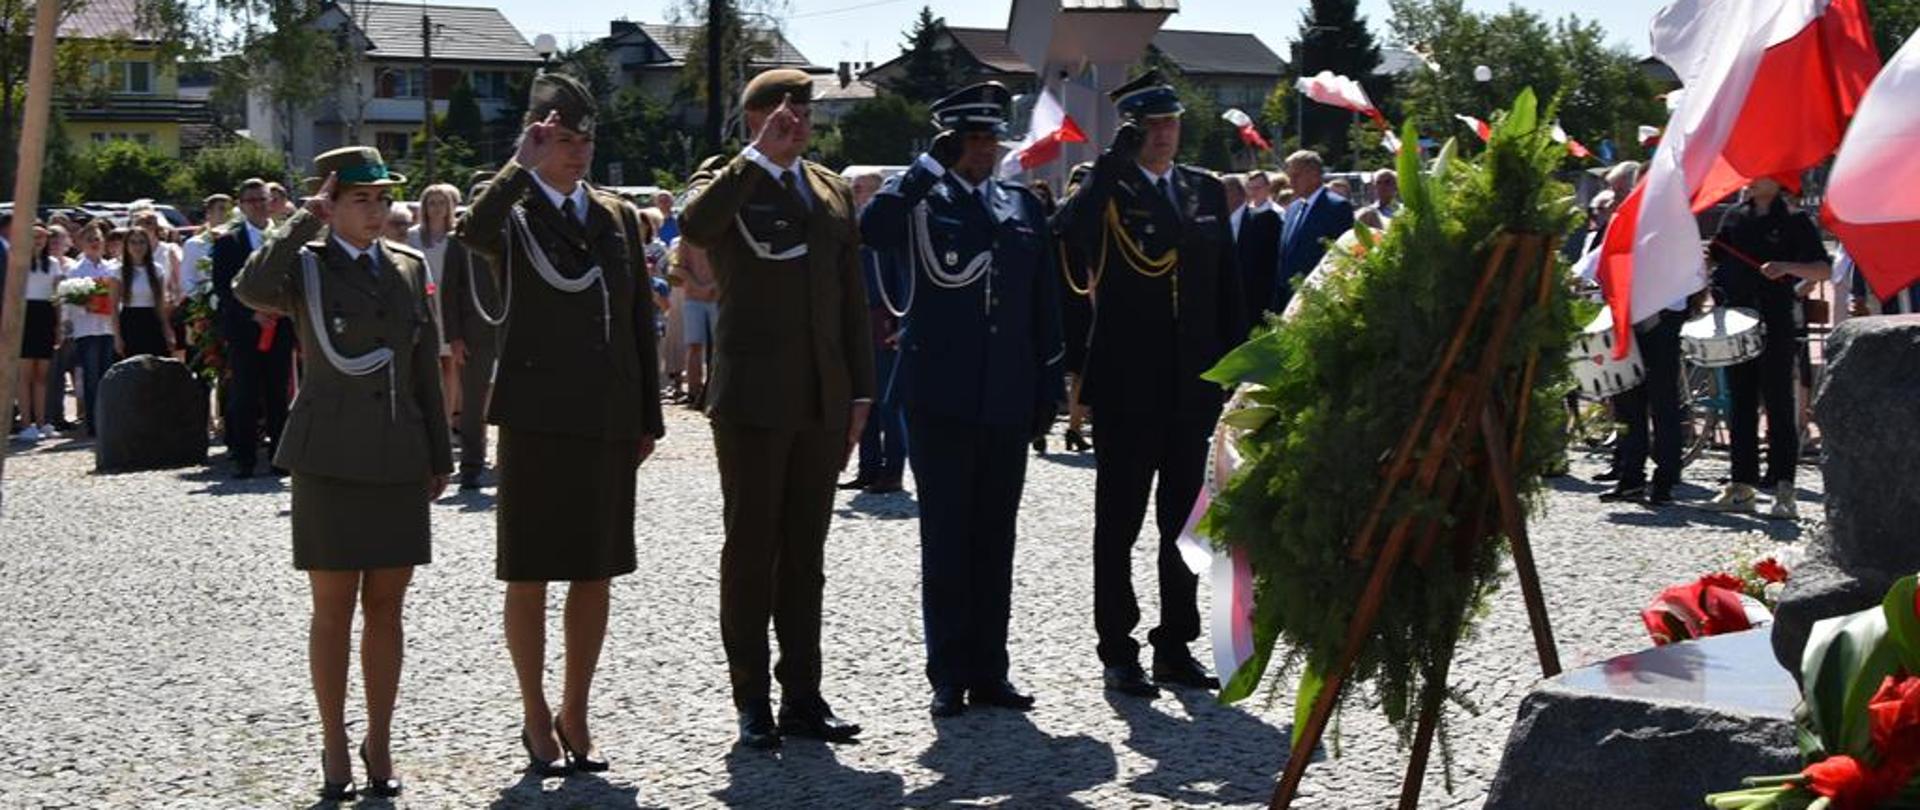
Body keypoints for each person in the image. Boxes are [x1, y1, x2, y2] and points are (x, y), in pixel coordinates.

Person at [455, 72, 665, 777]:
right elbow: (471, 232)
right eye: (562, 140)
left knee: (595, 570)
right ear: (537, 139)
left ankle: (576, 708)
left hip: (606, 415)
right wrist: (519, 163)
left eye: (584, 140)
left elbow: (637, 321)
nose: (577, 152)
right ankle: (534, 710)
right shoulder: (513, 212)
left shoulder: (614, 215)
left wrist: (647, 416)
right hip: (538, 418)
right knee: (531, 573)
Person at [234, 148, 450, 801]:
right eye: (360, 199)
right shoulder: (306, 265)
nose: (376, 210)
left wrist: (439, 453)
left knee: (387, 607)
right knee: (332, 609)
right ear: (331, 202)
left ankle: (378, 739)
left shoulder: (408, 267)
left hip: (397, 451)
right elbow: (250, 288)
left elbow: (424, 366)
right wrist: (305, 219)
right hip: (328, 455)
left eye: (382, 198)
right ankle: (333, 740)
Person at [679, 68, 875, 749]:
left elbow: (850, 296)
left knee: (805, 556)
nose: (800, 123)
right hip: (754, 398)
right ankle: (752, 699)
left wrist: (860, 390)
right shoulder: (727, 177)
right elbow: (695, 225)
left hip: (821, 396)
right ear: (755, 118)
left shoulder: (828, 188)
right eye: (785, 113)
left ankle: (803, 695)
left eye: (806, 113)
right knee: (752, 552)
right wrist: (756, 155)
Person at [859, 81, 1064, 718]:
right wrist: (927, 166)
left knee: (995, 538)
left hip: (1005, 394)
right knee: (947, 538)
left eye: (990, 138)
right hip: (939, 396)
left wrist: (1047, 385)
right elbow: (873, 229)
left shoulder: (1019, 204)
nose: (983, 150)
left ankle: (990, 669)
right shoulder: (921, 199)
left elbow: (1042, 301)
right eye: (971, 139)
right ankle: (948, 672)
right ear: (949, 142)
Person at [1050, 70, 1245, 697]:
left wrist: (1237, 368)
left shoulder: (1202, 189)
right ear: (1132, 130)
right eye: (1152, 126)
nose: (1164, 135)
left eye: (1171, 123)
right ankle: (1118, 648)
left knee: (1183, 524)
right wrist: (1111, 163)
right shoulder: (1106, 186)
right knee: (1119, 523)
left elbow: (1227, 286)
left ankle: (1175, 644)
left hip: (1191, 386)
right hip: (1128, 385)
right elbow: (1067, 232)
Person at [1706, 178, 1829, 519]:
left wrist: (1786, 267)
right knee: (1740, 404)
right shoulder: (1733, 216)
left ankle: (1784, 488)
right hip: (1735, 319)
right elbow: (1716, 256)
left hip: (1775, 321)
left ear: (1777, 180)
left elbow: (1822, 268)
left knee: (1778, 404)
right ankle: (1741, 486)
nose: (1750, 179)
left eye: (1759, 173)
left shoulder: (1795, 219)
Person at [211, 178, 297, 478]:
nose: (259, 205)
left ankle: (280, 458)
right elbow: (223, 287)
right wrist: (253, 314)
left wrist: (280, 310)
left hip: (280, 325)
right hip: (244, 329)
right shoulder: (228, 241)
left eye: (263, 199)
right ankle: (244, 458)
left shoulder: (285, 237)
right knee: (245, 393)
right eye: (251, 201)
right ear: (242, 206)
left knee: (278, 393)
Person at [838, 168, 907, 493]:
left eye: (860, 189)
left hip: (884, 321)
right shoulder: (853, 232)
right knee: (863, 396)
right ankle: (868, 468)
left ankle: (892, 471)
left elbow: (902, 282)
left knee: (889, 403)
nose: (854, 195)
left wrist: (901, 324)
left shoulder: (890, 234)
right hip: (859, 322)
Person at [441, 174, 506, 491]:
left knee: (512, 401)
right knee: (472, 405)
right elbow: (448, 290)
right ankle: (470, 466)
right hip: (473, 332)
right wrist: (453, 336)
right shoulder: (459, 241)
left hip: (511, 331)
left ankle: (509, 462)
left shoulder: (513, 235)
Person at [406, 184, 464, 426]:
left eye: (442, 203)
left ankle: (447, 420)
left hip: (449, 305)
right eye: (432, 203)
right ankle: (425, 420)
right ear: (424, 206)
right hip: (422, 303)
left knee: (449, 365)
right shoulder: (412, 236)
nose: (437, 208)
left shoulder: (457, 236)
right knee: (424, 364)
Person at [1275, 149, 1355, 313]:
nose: (1291, 182)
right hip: (1288, 298)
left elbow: (1341, 255)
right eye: (1289, 176)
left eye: (1296, 175)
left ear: (1314, 175)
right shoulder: (1293, 208)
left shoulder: (1336, 207)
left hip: (1317, 299)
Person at [66, 221, 120, 435]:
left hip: (107, 327)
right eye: (90, 240)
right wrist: (86, 306)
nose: (94, 243)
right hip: (86, 328)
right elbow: (69, 302)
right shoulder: (76, 270)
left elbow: (119, 298)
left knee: (107, 374)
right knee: (90, 375)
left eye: (97, 239)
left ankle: (107, 419)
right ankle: (93, 422)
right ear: (81, 244)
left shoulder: (112, 268)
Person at [15, 224, 61, 442]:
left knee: (42, 375)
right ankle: (26, 423)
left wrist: (59, 324)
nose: (38, 241)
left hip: (45, 315)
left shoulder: (52, 263)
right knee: (25, 374)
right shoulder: (19, 262)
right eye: (34, 236)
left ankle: (42, 422)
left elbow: (56, 296)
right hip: (26, 315)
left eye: (42, 237)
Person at [669, 234, 719, 410]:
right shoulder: (687, 239)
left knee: (719, 346)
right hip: (693, 297)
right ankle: (693, 391)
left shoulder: (722, 233)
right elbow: (678, 269)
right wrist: (698, 286)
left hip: (718, 296)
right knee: (694, 345)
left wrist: (714, 285)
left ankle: (716, 390)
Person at [116, 225, 177, 358]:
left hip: (152, 321)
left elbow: (160, 304)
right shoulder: (118, 271)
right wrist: (117, 336)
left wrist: (167, 329)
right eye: (133, 242)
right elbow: (113, 307)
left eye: (142, 242)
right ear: (126, 246)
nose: (138, 246)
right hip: (130, 321)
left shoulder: (157, 270)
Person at [1231, 170, 1282, 325]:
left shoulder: (1277, 213)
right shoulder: (1245, 212)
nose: (1253, 192)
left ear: (1268, 188)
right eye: (1250, 188)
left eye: (1258, 188)